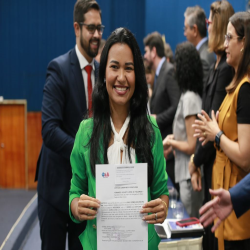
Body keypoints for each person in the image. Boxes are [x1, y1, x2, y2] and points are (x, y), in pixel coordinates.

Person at [69, 27, 169, 250]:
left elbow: (161, 191)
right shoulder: (87, 131)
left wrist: (163, 208)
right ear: (104, 72)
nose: (121, 77)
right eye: (114, 67)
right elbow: (75, 191)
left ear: (138, 75)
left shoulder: (151, 129)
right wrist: (77, 207)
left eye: (129, 68)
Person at [35, 1, 103, 249]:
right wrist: (86, 152)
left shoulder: (104, 74)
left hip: (86, 192)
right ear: (77, 28)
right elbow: (49, 130)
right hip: (55, 189)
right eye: (91, 28)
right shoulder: (59, 68)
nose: (96, 34)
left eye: (100, 28)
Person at [193, 11, 250, 250]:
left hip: (238, 209)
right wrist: (212, 131)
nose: (225, 45)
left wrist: (216, 134)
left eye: (230, 38)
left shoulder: (245, 88)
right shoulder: (236, 85)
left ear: (244, 42)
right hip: (225, 196)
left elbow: (245, 157)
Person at [188, 2, 234, 249]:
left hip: (216, 168)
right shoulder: (216, 66)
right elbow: (203, 121)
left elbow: (210, 126)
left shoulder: (226, 69)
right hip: (208, 165)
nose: (207, 26)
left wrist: (195, 160)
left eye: (210, 21)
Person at [163, 42, 203, 218]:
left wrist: (171, 142)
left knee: (191, 224)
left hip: (189, 175)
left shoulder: (189, 99)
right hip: (184, 174)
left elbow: (192, 145)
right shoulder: (187, 96)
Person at [143, 32, 180, 192]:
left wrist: (156, 119)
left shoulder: (169, 71)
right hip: (163, 147)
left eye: (146, 52)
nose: (145, 56)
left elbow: (177, 105)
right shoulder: (159, 73)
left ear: (153, 52)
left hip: (171, 150)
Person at [184, 5, 215, 85]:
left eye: (186, 28)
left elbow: (203, 94)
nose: (184, 34)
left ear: (194, 30)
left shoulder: (203, 59)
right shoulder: (206, 51)